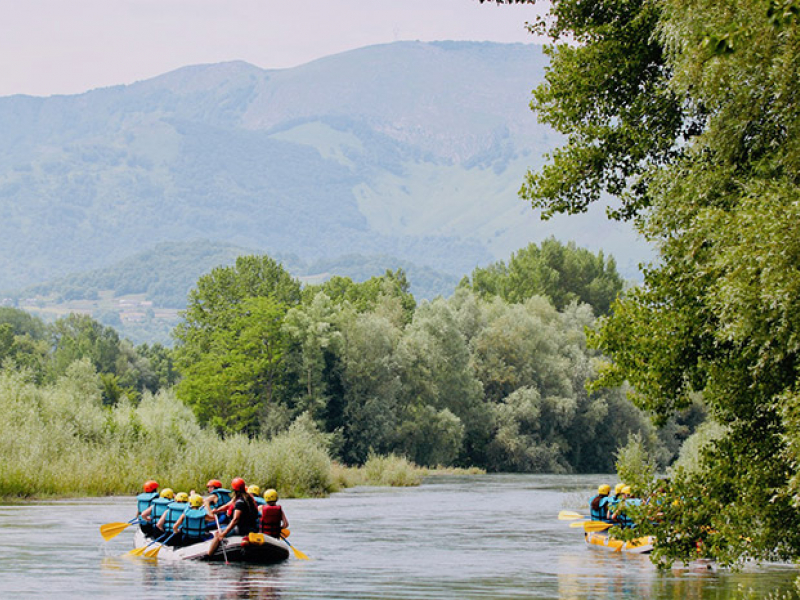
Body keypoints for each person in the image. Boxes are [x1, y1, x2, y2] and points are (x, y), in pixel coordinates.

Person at [207, 478, 259, 557]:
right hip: (253, 527)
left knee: (218, 533)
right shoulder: (248, 497)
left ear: (234, 489)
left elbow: (235, 520)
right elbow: (228, 505)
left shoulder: (239, 503)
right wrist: (217, 510)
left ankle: (209, 555)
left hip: (242, 529)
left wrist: (223, 534)